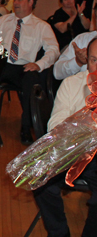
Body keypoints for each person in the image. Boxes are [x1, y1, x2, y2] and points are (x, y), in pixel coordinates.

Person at [33, 37, 97, 237]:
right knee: (40, 179)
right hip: (73, 150)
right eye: (95, 60)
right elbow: (55, 124)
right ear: (87, 60)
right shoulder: (72, 84)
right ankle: (59, 233)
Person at [0, 0, 60, 145]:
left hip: (23, 67)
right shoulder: (4, 21)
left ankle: (26, 126)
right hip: (3, 63)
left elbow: (54, 49)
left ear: (31, 2)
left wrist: (39, 64)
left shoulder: (41, 26)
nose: (16, 3)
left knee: (32, 80)